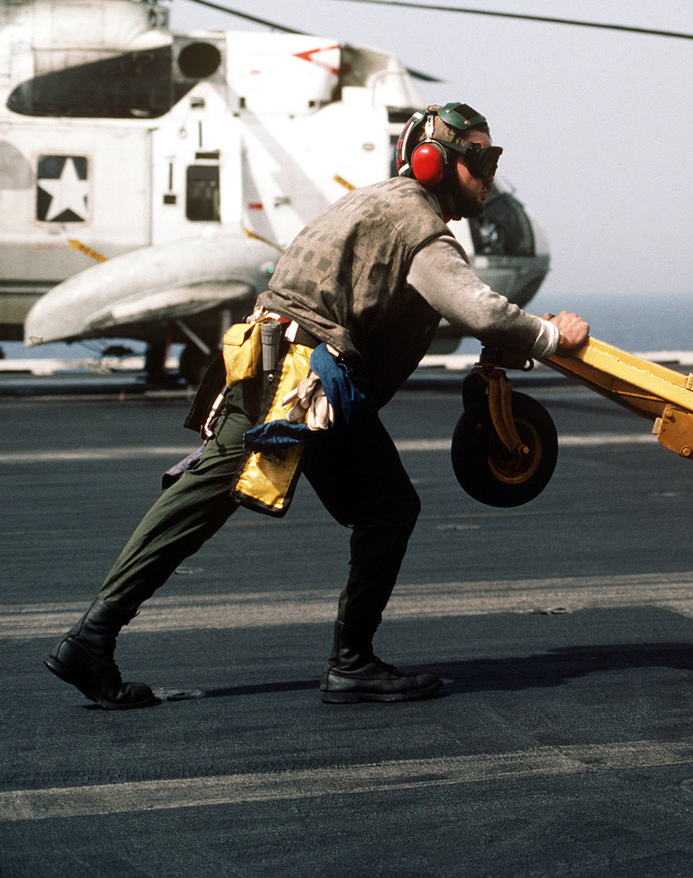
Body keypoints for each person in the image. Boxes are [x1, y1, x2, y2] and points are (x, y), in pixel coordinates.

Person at [45, 102, 589, 708]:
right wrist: (549, 337)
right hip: (303, 381)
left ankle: (99, 641)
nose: (489, 175)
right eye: (482, 160)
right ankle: (101, 641)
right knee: (223, 503)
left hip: (283, 365)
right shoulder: (419, 225)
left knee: (327, 505)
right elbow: (479, 308)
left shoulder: (376, 201)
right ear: (435, 163)